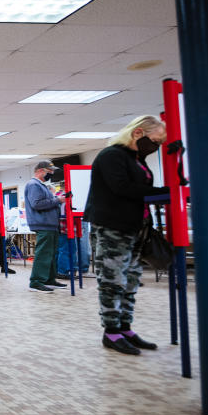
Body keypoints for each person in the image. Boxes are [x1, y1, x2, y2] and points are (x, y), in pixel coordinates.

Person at [85, 115, 169, 355]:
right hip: (113, 226)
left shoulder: (136, 158)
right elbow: (122, 188)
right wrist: (162, 192)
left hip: (135, 227)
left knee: (131, 278)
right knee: (113, 280)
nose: (156, 146)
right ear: (138, 133)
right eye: (155, 140)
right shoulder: (111, 155)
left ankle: (125, 327)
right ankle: (111, 332)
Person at [24, 161, 68, 293]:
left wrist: (56, 200)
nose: (52, 173)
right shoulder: (33, 185)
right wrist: (58, 200)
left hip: (50, 224)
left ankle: (49, 279)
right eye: (50, 171)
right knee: (43, 254)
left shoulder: (42, 186)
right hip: (43, 224)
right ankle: (36, 281)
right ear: (40, 171)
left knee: (51, 253)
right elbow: (37, 204)